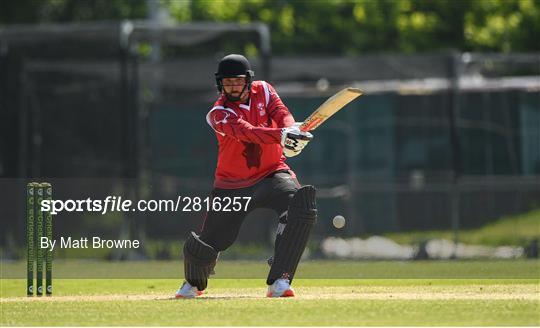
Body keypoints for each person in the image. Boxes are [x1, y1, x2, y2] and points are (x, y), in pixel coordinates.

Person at [175, 54, 317, 298]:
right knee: (208, 245)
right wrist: (281, 135)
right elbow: (246, 132)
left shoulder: (264, 90)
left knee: (300, 205)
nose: (232, 86)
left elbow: (281, 112)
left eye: (237, 81)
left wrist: (291, 128)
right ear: (220, 84)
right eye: (227, 82)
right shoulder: (218, 113)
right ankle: (193, 283)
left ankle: (280, 280)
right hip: (232, 185)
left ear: (248, 81)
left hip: (273, 174)